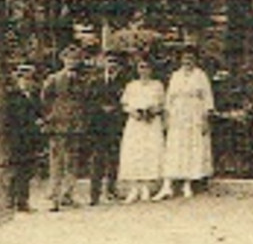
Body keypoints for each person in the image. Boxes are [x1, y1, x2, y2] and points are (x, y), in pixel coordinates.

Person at [156, 48, 214, 199]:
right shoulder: (175, 76)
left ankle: (187, 183)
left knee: (191, 146)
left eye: (190, 58)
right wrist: (166, 118)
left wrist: (205, 119)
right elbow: (169, 98)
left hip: (194, 113)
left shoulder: (200, 75)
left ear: (195, 60)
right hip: (178, 114)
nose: (187, 61)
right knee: (175, 146)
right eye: (185, 58)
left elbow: (207, 98)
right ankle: (168, 184)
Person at [40, 44, 91, 211]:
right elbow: (44, 101)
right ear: (63, 60)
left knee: (72, 161)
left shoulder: (82, 80)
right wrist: (49, 118)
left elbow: (85, 103)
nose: (72, 62)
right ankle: (53, 197)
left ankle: (68, 195)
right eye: (69, 59)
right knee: (57, 161)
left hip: (75, 125)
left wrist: (82, 121)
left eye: (75, 59)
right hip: (58, 124)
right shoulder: (53, 79)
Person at [119, 56, 166, 202]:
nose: (144, 70)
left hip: (151, 123)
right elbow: (125, 104)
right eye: (141, 67)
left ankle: (146, 187)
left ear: (151, 70)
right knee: (134, 151)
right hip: (135, 122)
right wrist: (133, 112)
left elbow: (163, 104)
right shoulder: (131, 85)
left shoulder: (157, 85)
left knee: (149, 151)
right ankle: (134, 188)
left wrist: (152, 112)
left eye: (147, 67)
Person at [86, 55, 128, 205]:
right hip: (98, 126)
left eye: (115, 63)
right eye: (109, 62)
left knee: (114, 159)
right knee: (97, 159)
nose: (112, 66)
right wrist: (100, 108)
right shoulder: (95, 81)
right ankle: (94, 194)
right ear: (104, 64)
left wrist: (115, 109)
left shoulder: (125, 82)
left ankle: (111, 190)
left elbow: (128, 101)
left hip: (116, 125)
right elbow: (89, 101)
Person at [6, 64, 44, 212]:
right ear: (18, 80)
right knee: (15, 170)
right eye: (23, 79)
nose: (26, 83)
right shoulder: (11, 96)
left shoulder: (34, 96)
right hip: (16, 138)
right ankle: (11, 201)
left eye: (29, 80)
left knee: (27, 171)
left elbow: (39, 113)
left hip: (30, 138)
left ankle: (22, 201)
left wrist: (40, 121)